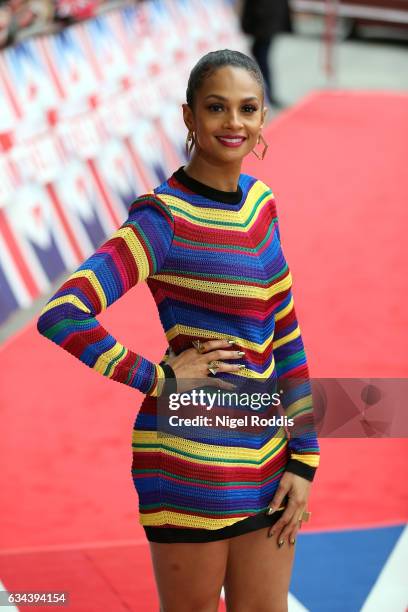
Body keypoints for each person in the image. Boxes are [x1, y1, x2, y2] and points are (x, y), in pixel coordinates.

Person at [37, 49, 320, 612]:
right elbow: (63, 312)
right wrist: (159, 378)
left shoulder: (262, 204)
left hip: (267, 450)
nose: (233, 123)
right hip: (192, 459)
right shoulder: (163, 219)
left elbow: (284, 331)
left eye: (247, 109)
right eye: (216, 108)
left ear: (263, 118)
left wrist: (305, 455)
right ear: (189, 116)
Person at [241, 0, 293, 109]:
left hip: (265, 18)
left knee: (260, 56)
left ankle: (266, 92)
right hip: (267, 18)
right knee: (259, 54)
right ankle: (265, 92)